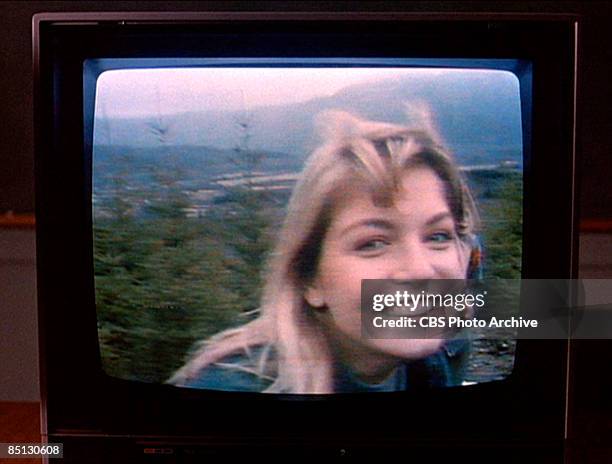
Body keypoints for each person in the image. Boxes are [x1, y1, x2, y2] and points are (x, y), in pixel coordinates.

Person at [168, 109, 480, 394]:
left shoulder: (431, 352)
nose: (421, 270)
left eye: (438, 236)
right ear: (310, 280)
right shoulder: (231, 388)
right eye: (372, 243)